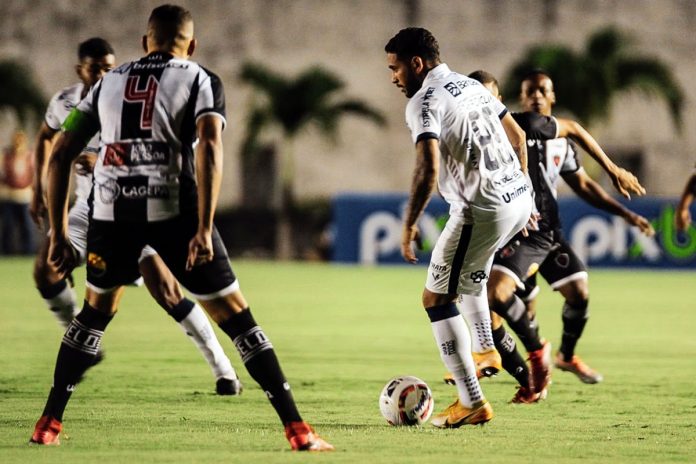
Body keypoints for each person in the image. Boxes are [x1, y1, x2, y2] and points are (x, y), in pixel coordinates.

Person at [30, 5, 333, 452]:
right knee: (237, 317)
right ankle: (299, 432)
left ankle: (47, 425)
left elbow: (58, 154)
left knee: (94, 313)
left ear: (143, 42)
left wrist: (56, 232)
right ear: (190, 44)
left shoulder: (107, 83)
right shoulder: (198, 77)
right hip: (173, 210)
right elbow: (209, 144)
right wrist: (205, 226)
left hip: (111, 214)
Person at [29, 37, 242, 396]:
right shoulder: (67, 101)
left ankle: (223, 370)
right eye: (95, 67)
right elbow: (47, 139)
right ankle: (81, 342)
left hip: (132, 205)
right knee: (45, 268)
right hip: (89, 209)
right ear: (80, 69)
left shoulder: (124, 93)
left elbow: (159, 147)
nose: (102, 72)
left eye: (107, 66)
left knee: (167, 291)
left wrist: (107, 161)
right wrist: (38, 188)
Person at [385, 27, 533, 428]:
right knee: (466, 280)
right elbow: (517, 136)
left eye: (396, 68)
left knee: (436, 299)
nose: (394, 78)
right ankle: (485, 349)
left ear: (417, 63)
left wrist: (409, 223)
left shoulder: (422, 102)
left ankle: (471, 400)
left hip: (480, 208)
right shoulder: (470, 84)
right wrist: (524, 192)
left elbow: (428, 167)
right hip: (517, 197)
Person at [484, 70, 654, 395]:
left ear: (552, 96)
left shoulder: (557, 141)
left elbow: (584, 186)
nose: (535, 96)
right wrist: (615, 169)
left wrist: (626, 212)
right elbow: (575, 127)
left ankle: (564, 356)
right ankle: (522, 371)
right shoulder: (511, 128)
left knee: (579, 291)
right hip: (517, 235)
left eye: (542, 90)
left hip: (548, 233)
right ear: (521, 98)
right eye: (530, 91)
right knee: (508, 308)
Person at [1, 130, 36, 254]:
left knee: (27, 227)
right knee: (8, 227)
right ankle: (6, 253)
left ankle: (28, 252)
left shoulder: (29, 155)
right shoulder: (7, 155)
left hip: (25, 196)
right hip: (10, 196)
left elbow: (33, 175)